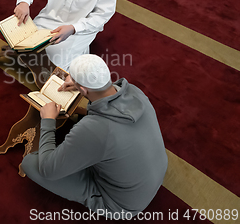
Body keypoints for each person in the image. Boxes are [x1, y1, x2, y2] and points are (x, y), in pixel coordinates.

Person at [21, 54, 168, 218]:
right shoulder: (135, 91)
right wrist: (81, 85)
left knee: (31, 163)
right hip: (154, 175)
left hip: (123, 206)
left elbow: (48, 170)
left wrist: (48, 121)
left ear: (83, 89)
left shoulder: (94, 130)